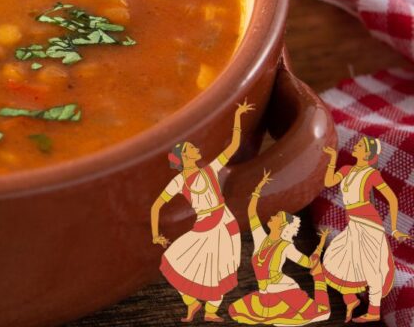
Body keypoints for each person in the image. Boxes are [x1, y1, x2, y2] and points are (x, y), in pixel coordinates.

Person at [152, 100, 254, 322]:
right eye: (191, 149)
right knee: (174, 262)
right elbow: (156, 205)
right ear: (184, 158)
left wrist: (237, 116)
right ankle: (193, 305)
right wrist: (155, 235)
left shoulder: (209, 170)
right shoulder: (180, 181)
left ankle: (210, 312)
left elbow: (233, 146)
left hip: (222, 222)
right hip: (204, 223)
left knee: (218, 270)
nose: (196, 149)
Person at [321, 136, 409, 323]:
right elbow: (328, 183)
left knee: (372, 265)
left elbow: (392, 199)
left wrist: (393, 229)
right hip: (352, 220)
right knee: (338, 256)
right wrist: (330, 160)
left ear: (367, 153)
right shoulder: (346, 169)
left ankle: (374, 310)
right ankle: (352, 298)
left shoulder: (372, 174)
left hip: (368, 221)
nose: (356, 146)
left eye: (360, 145)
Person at [228, 170, 331, 325]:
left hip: (284, 289)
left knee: (317, 313)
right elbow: (252, 215)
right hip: (265, 293)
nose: (272, 216)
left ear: (282, 225)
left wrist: (318, 258)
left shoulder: (285, 246)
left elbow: (307, 262)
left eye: (277, 217)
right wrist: (258, 189)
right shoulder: (261, 238)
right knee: (235, 311)